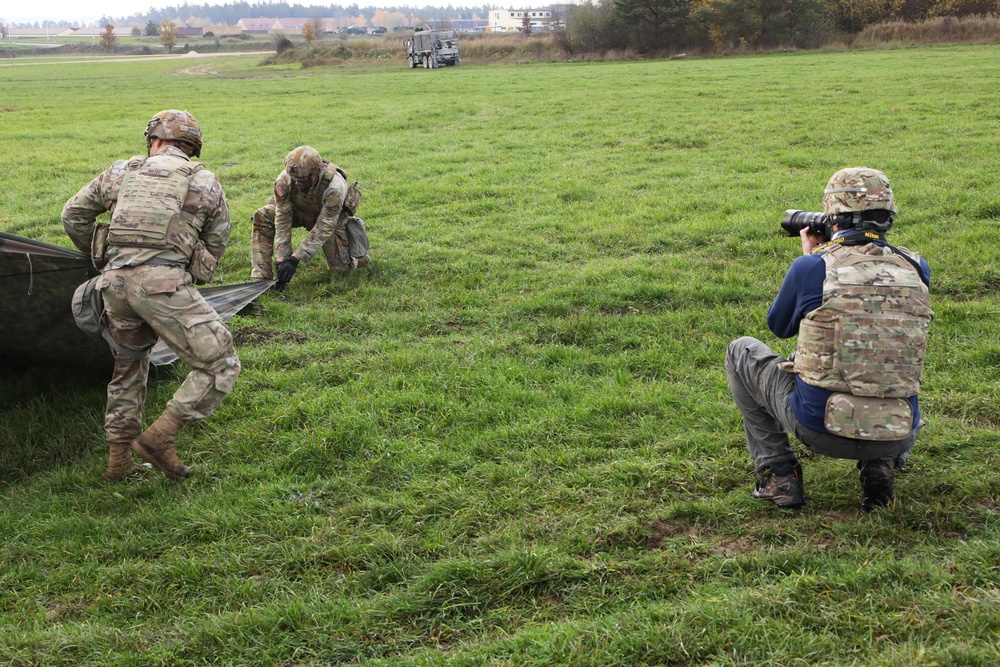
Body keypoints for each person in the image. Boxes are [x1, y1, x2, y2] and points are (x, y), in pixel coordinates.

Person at [725, 167, 932, 510]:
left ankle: (779, 474)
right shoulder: (916, 266)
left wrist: (810, 261)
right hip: (899, 432)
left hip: (821, 428)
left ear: (834, 216)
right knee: (883, 355)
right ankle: (880, 464)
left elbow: (779, 326)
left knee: (740, 351)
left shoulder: (813, 268)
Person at [62, 109, 239, 482]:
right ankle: (160, 437)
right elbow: (218, 238)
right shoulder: (203, 180)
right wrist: (186, 273)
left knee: (128, 366)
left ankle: (118, 462)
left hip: (113, 287)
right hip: (163, 286)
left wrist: (104, 258)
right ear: (190, 146)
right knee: (221, 363)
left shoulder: (120, 171)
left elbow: (73, 214)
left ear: (155, 139)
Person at [250, 146, 368, 291]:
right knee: (263, 215)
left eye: (302, 180)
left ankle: (357, 258)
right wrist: (282, 257)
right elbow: (282, 216)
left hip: (327, 220)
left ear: (314, 174)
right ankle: (261, 277)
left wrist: (295, 259)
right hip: (299, 212)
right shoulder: (285, 180)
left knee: (341, 269)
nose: (297, 183)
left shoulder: (334, 188)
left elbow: (324, 227)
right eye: (294, 180)